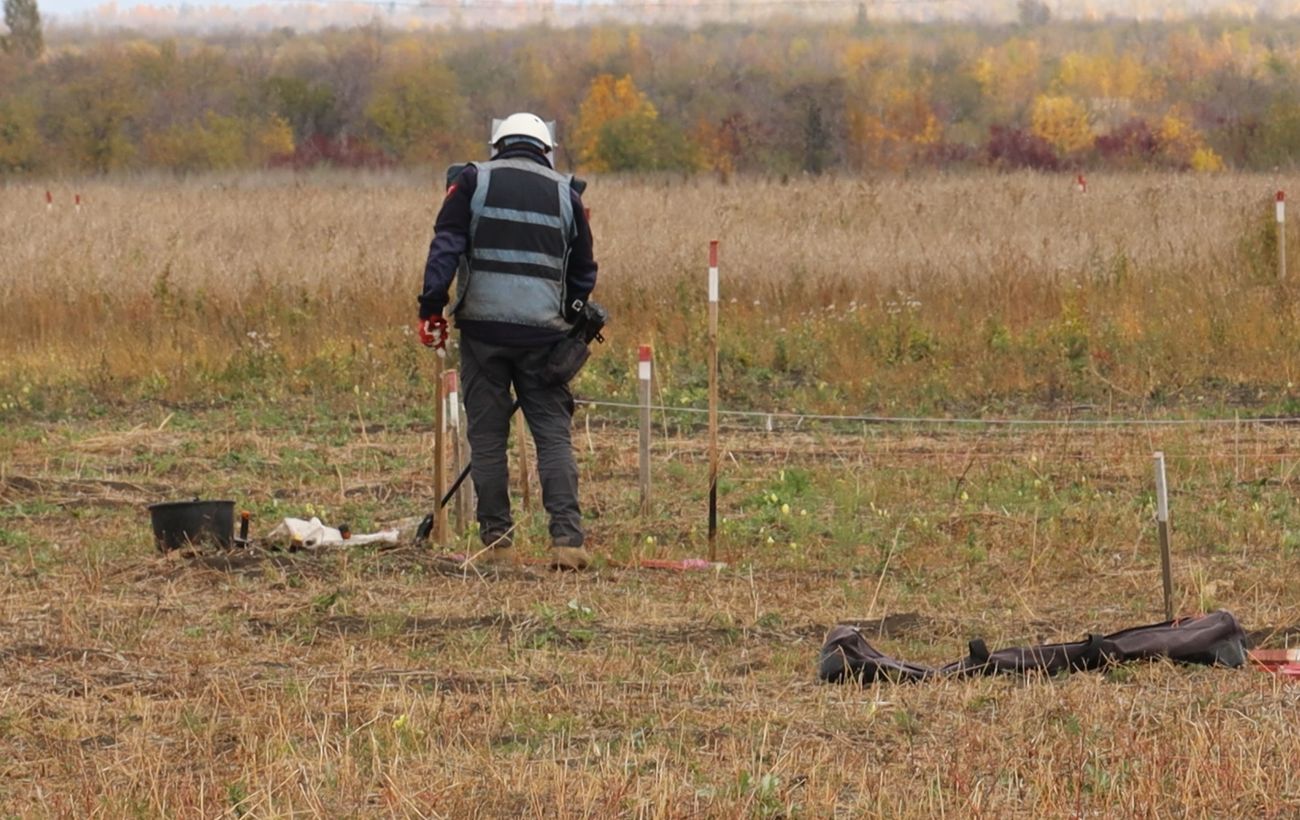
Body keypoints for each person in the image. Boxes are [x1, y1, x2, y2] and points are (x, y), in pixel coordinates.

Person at [417, 113, 598, 571]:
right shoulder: (566, 193)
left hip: (483, 333)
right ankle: (568, 544)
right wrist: (571, 312)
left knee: (488, 439)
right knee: (553, 438)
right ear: (545, 147)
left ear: (498, 144)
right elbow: (583, 271)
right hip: (545, 336)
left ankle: (498, 546)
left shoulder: (472, 182)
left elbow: (445, 246)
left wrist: (431, 307)